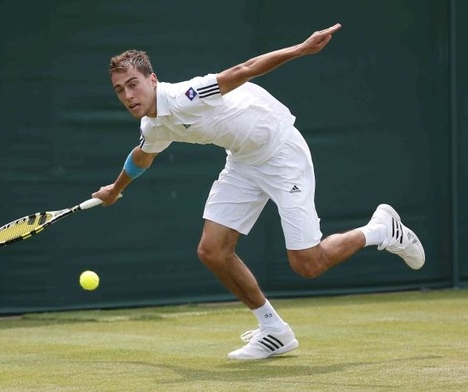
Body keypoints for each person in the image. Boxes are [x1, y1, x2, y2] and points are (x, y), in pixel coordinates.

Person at [92, 23, 425, 360]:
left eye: (133, 84)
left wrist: (300, 49)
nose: (128, 96)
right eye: (120, 90)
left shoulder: (184, 96)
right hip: (243, 161)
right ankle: (274, 330)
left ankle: (381, 229)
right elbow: (143, 155)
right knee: (213, 251)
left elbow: (244, 70)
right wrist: (116, 189)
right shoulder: (152, 124)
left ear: (152, 80)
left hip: (281, 151)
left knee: (308, 264)